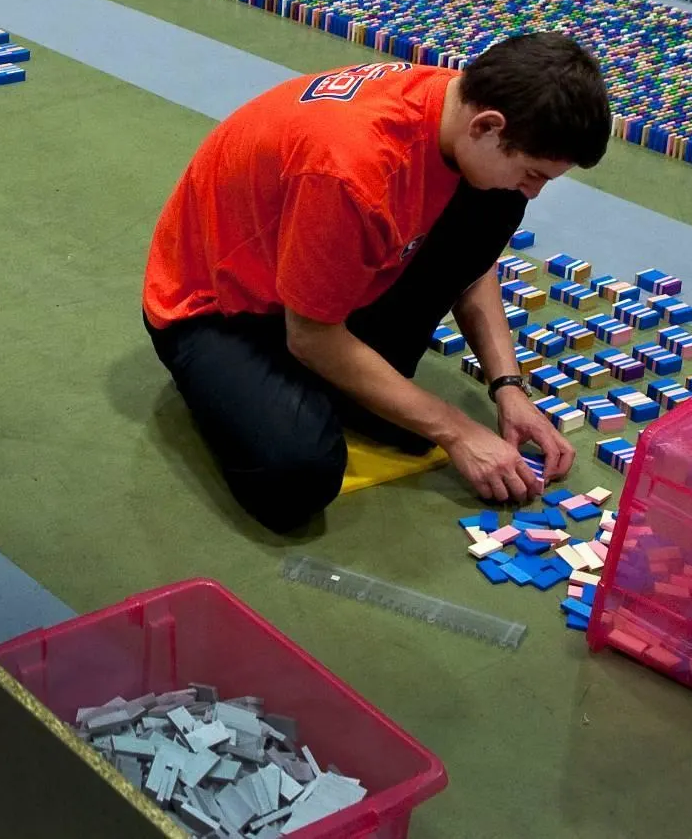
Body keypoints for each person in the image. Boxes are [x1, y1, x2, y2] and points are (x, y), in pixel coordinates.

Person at [142, 32, 612, 534]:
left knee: (496, 197)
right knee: (296, 479)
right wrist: (456, 431)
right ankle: (229, 384)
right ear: (487, 126)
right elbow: (311, 336)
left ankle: (316, 387)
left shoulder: (459, 112)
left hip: (316, 281)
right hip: (219, 308)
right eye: (533, 172)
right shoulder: (354, 169)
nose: (535, 192)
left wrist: (508, 388)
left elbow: (473, 264)